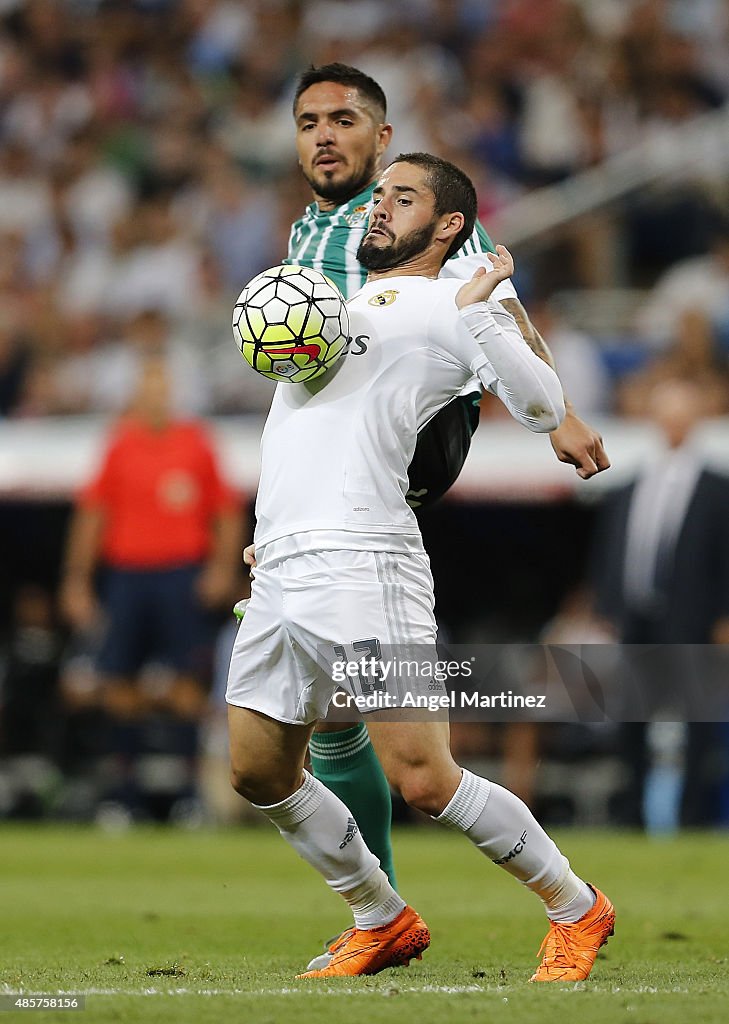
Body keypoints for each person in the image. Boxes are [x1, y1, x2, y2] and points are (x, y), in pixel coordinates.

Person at [227, 152, 615, 980]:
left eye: (401, 198)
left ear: (448, 226)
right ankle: (381, 915)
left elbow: (541, 403)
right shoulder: (329, 305)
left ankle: (576, 907)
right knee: (257, 769)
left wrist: (481, 313)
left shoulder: (451, 302)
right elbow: (304, 435)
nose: (378, 208)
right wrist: (273, 527)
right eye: (379, 196)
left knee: (422, 778)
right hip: (285, 559)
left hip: (367, 559)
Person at [60, 356, 243, 723]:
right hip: (127, 576)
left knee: (188, 679)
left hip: (183, 576)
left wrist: (222, 569)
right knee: (116, 677)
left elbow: (226, 511)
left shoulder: (196, 442)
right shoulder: (120, 444)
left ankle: (184, 768)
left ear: (172, 394)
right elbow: (92, 516)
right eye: (147, 392)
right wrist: (77, 580)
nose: (155, 400)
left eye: (161, 391)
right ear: (137, 395)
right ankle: (126, 771)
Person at [591, 377, 729, 829]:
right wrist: (609, 606)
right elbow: (615, 549)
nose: (672, 422)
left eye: (680, 413)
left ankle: (691, 820)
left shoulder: (717, 488)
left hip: (694, 623)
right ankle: (631, 815)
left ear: (694, 419)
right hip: (637, 620)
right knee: (631, 722)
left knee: (698, 727)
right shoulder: (632, 484)